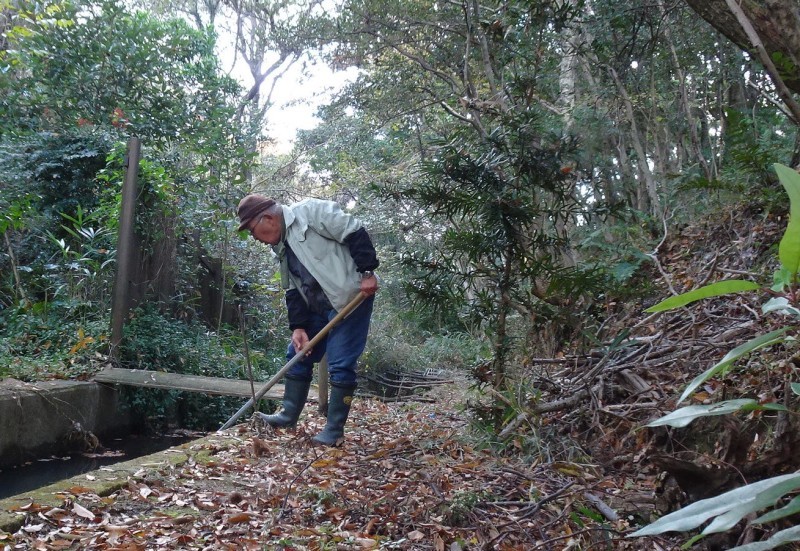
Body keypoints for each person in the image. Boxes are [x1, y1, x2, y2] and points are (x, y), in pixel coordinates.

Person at [236, 194, 379, 446]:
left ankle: (333, 430)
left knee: (341, 363)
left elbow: (354, 231)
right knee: (297, 354)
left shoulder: (311, 213)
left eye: (252, 230)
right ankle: (288, 415)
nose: (255, 238)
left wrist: (367, 271)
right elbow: (292, 288)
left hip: (349, 300)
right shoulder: (279, 247)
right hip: (315, 307)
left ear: (267, 218)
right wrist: (299, 326)